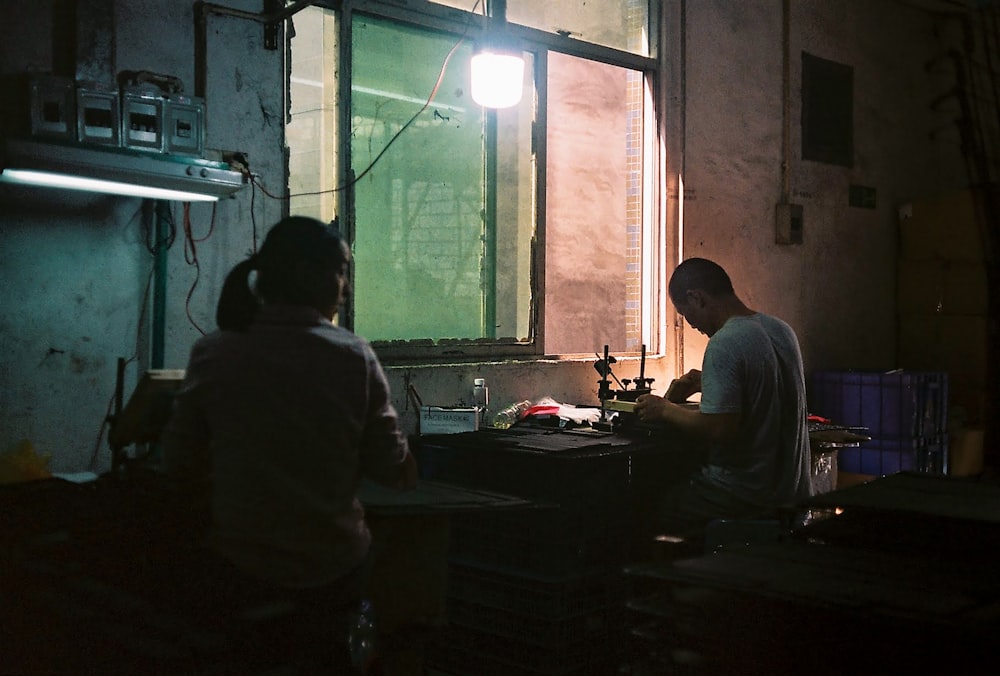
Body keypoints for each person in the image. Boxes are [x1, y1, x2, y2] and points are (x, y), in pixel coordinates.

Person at [160, 216, 417, 669]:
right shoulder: (353, 356)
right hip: (332, 570)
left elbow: (178, 465)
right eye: (341, 271)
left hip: (239, 564)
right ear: (310, 275)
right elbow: (392, 471)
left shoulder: (215, 352)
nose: (346, 288)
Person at [634, 257, 812, 536]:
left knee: (644, 506)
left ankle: (676, 577)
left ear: (697, 298)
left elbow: (720, 429)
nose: (692, 326)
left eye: (686, 315)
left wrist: (664, 409)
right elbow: (763, 388)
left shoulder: (725, 342)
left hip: (745, 496)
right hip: (793, 492)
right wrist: (707, 383)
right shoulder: (781, 330)